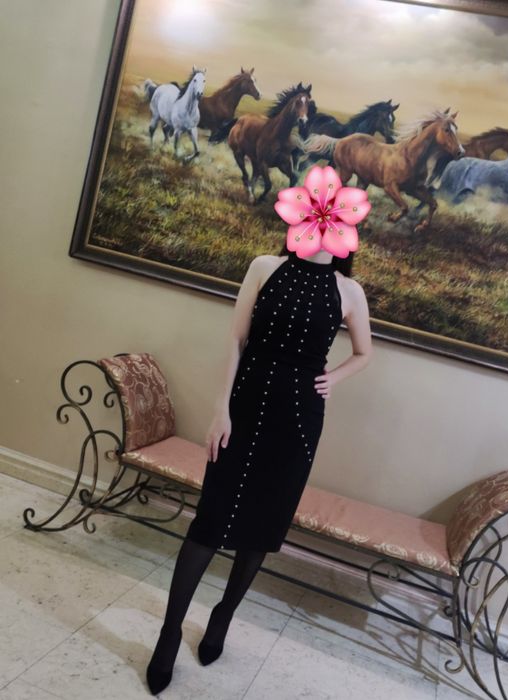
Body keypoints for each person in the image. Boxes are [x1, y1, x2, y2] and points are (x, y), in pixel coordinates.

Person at [146, 242, 372, 695]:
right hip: (244, 404)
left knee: (263, 527)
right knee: (209, 522)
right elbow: (236, 340)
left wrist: (332, 379)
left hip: (298, 420)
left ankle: (223, 616)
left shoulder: (349, 291)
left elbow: (364, 352)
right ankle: (169, 633)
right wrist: (220, 410)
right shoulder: (265, 267)